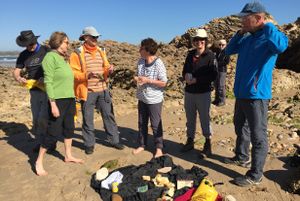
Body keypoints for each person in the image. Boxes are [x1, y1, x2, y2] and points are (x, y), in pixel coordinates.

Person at [224, 1, 288, 187]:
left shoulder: (270, 37)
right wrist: (239, 33)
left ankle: (255, 174)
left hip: (257, 95)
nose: (242, 21)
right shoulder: (247, 38)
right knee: (239, 126)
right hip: (241, 93)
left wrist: (267, 25)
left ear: (258, 18)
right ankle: (242, 156)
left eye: (245, 18)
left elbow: (281, 47)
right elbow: (229, 51)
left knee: (258, 135)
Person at [69, 26, 124, 155]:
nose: (96, 39)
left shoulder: (101, 51)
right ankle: (89, 144)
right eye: (93, 37)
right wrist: (86, 75)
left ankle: (114, 140)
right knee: (88, 119)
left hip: (103, 89)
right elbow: (73, 73)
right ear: (85, 38)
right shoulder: (76, 53)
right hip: (87, 91)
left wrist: (109, 70)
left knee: (109, 116)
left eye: (97, 37)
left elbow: (105, 67)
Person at [35, 31, 83, 176]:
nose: (68, 44)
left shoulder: (62, 58)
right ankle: (38, 161)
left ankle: (68, 155)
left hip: (69, 99)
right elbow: (48, 82)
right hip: (58, 100)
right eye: (66, 42)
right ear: (58, 42)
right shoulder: (50, 57)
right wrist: (53, 104)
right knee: (53, 132)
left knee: (69, 128)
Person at [13, 30, 53, 152]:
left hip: (48, 89)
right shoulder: (23, 55)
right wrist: (19, 78)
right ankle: (41, 143)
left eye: (30, 44)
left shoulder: (46, 51)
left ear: (35, 41)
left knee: (45, 118)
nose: (28, 47)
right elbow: (16, 70)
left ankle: (50, 143)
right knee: (36, 119)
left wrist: (45, 79)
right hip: (34, 91)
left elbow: (56, 67)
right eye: (26, 45)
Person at [181, 29, 218, 158]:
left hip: (203, 92)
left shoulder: (210, 56)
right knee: (190, 118)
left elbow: (213, 75)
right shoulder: (190, 54)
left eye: (201, 40)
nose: (199, 42)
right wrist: (186, 76)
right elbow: (184, 70)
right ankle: (190, 140)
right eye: (196, 40)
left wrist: (197, 80)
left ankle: (208, 145)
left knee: (204, 119)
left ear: (205, 41)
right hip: (189, 92)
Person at [132, 38, 168, 158]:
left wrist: (148, 80)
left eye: (141, 48)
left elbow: (164, 82)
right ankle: (142, 145)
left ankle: (159, 148)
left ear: (147, 50)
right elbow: (139, 76)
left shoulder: (158, 63)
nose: (139, 50)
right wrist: (138, 79)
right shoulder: (140, 61)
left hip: (154, 99)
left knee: (155, 124)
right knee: (142, 122)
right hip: (142, 97)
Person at [212, 39, 230, 106]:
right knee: (216, 85)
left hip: (222, 71)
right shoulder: (217, 51)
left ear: (225, 45)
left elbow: (226, 62)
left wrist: (217, 64)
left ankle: (222, 101)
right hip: (216, 70)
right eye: (220, 44)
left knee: (221, 86)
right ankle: (217, 99)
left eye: (223, 45)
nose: (221, 46)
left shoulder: (227, 52)